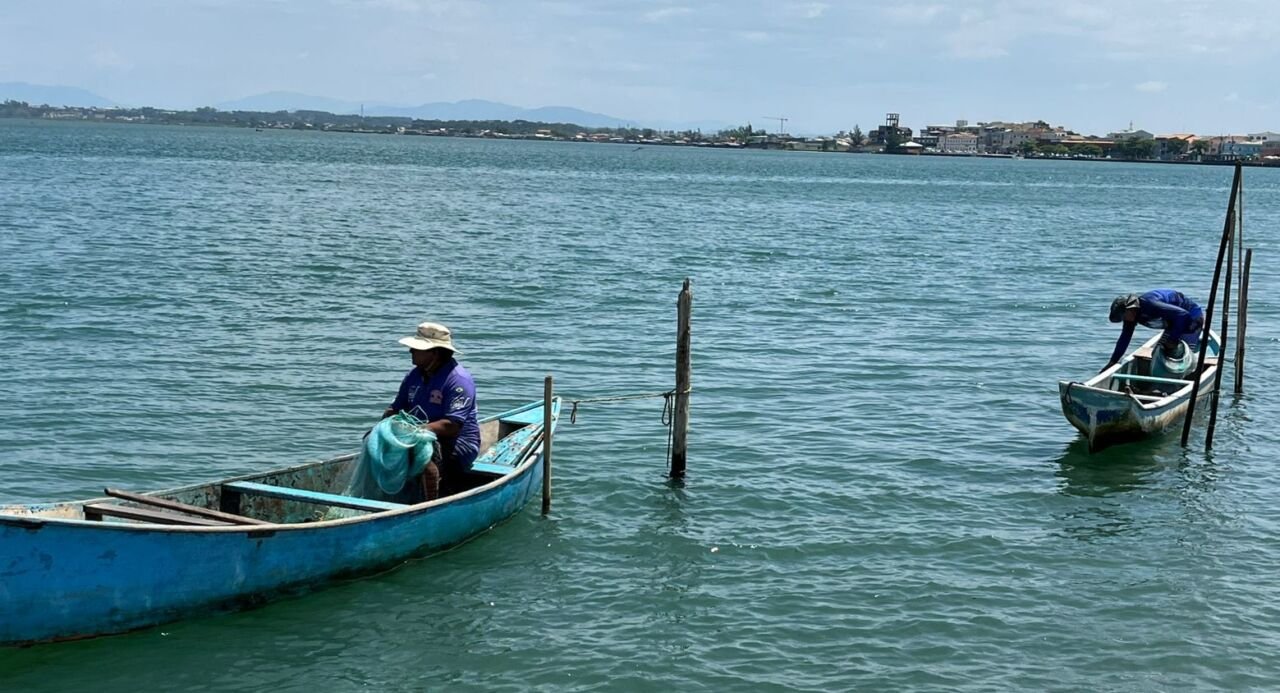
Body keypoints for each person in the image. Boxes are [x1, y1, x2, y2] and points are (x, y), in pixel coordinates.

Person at [383, 322, 480, 500]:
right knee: (376, 441)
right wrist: (385, 425)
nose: (410, 351)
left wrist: (416, 432)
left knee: (422, 454)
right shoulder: (414, 375)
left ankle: (430, 503)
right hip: (417, 435)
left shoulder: (458, 380)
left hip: (456, 445)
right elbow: (396, 408)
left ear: (435, 353)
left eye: (416, 348)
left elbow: (452, 426)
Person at [1104, 289, 1204, 370]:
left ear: (1130, 309)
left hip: (1191, 320)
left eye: (1124, 316)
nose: (1125, 320)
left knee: (1181, 360)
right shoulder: (1131, 316)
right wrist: (1113, 361)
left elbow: (1183, 315)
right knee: (1158, 355)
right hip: (1173, 323)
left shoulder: (1150, 304)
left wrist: (1173, 339)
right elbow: (1125, 338)